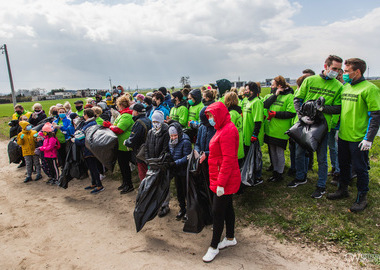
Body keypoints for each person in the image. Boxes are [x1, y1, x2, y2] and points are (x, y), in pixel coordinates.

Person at [327, 58, 380, 212]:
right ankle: (342, 189)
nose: (344, 74)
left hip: (359, 138)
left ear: (357, 71)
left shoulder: (370, 89)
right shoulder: (346, 88)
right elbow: (341, 109)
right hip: (344, 135)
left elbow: (375, 115)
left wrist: (368, 138)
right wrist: (324, 108)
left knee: (360, 168)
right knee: (343, 165)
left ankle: (362, 197)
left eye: (348, 71)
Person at [290, 55, 343, 199]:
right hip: (305, 123)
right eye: (334, 69)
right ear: (326, 66)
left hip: (322, 127)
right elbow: (297, 99)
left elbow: (339, 108)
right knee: (299, 153)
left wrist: (322, 109)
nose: (336, 72)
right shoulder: (310, 80)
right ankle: (301, 177)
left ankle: (321, 185)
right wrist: (301, 115)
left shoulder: (338, 86)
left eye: (339, 70)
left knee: (322, 158)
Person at [202, 102, 240, 263]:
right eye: (208, 117)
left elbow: (228, 159)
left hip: (224, 179)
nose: (210, 119)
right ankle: (230, 237)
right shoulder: (221, 128)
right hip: (219, 177)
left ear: (219, 114)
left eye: (211, 116)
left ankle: (213, 246)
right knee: (228, 207)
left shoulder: (228, 131)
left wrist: (221, 184)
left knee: (217, 212)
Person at [263, 76, 296, 182]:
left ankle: (280, 173)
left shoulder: (289, 96)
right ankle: (275, 171)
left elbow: (291, 113)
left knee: (279, 152)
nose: (271, 87)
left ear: (279, 86)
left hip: (280, 130)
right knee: (272, 151)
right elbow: (265, 105)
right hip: (271, 129)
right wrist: (275, 94)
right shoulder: (273, 95)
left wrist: (276, 114)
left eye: (273, 85)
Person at [103, 95, 135, 194]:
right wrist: (112, 126)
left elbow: (119, 129)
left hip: (125, 146)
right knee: (122, 166)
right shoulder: (122, 114)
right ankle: (125, 182)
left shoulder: (126, 116)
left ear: (121, 105)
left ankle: (129, 185)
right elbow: (115, 126)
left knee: (125, 166)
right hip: (121, 145)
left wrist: (109, 125)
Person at [145, 110, 170, 217]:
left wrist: (159, 162)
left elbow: (165, 149)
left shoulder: (166, 132)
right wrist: (148, 160)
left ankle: (165, 205)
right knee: (154, 184)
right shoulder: (150, 132)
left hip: (161, 163)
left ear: (161, 122)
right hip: (152, 162)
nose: (155, 123)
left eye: (157, 121)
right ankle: (156, 203)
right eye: (153, 121)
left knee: (163, 184)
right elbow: (146, 147)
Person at [74, 108, 105, 194]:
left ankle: (99, 185)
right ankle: (94, 183)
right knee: (91, 168)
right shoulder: (91, 123)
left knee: (93, 168)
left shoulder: (89, 124)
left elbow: (85, 137)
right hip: (89, 149)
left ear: (86, 115)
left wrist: (76, 140)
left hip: (89, 149)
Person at [168, 122, 192, 220]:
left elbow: (187, 157)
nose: (173, 138)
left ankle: (189, 210)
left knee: (186, 191)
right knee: (179, 191)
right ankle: (182, 208)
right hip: (176, 170)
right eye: (171, 136)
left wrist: (176, 163)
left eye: (175, 135)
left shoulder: (185, 141)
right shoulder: (170, 141)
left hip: (184, 170)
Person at [242, 81, 264, 185]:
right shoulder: (247, 101)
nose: (245, 91)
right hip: (246, 134)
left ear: (252, 91)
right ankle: (250, 174)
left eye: (247, 90)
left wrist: (255, 134)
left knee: (256, 156)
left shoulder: (257, 102)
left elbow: (258, 120)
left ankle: (258, 176)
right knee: (249, 156)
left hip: (253, 135)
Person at [124, 103, 152, 181]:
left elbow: (133, 139)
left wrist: (126, 142)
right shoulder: (148, 120)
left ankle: (145, 190)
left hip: (140, 150)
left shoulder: (139, 123)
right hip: (148, 148)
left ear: (136, 112)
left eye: (133, 111)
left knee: (143, 172)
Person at [224, 92, 245, 166]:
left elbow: (228, 129)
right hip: (239, 142)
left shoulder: (231, 114)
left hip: (233, 145)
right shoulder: (238, 111)